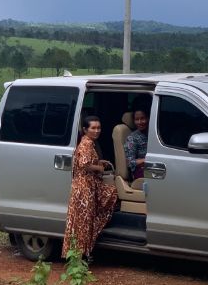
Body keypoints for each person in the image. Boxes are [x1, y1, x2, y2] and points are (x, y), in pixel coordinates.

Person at [62, 115, 118, 263]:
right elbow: (84, 165)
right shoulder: (86, 143)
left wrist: (99, 161)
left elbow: (86, 160)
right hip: (83, 187)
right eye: (93, 128)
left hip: (88, 186)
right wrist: (99, 167)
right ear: (85, 129)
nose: (96, 131)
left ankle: (82, 255)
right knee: (83, 223)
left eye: (98, 128)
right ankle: (79, 257)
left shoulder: (89, 143)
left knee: (84, 222)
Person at [124, 108, 149, 181]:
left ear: (148, 118)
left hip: (155, 167)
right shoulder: (132, 138)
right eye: (136, 119)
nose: (140, 122)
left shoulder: (155, 134)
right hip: (140, 171)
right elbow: (130, 162)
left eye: (142, 118)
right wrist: (147, 160)